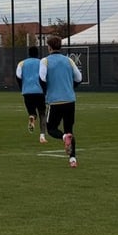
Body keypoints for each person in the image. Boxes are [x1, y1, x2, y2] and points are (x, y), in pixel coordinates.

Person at [39, 35, 82, 168]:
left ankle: (64, 138)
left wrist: (47, 91)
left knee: (51, 129)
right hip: (70, 100)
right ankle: (72, 159)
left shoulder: (45, 61)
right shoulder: (69, 60)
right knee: (69, 129)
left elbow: (42, 78)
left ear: (49, 47)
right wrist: (69, 88)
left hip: (55, 101)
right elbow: (79, 78)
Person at [16, 45, 48, 144]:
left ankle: (32, 117)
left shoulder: (22, 63)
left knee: (32, 112)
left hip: (27, 92)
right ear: (37, 53)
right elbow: (44, 76)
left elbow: (18, 76)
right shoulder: (41, 63)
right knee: (42, 113)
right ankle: (42, 136)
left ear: (29, 54)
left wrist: (23, 87)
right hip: (39, 92)